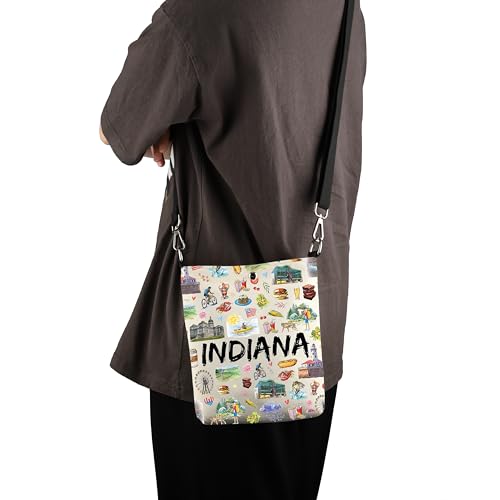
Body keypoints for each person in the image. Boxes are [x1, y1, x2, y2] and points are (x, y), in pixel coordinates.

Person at [100, 1, 366, 499]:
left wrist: (169, 121)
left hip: (215, 341)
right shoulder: (345, 7)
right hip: (311, 334)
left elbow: (118, 124)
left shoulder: (201, 10)